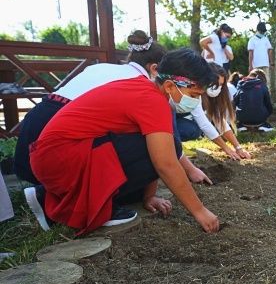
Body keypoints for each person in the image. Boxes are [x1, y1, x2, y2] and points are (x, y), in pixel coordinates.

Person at [26, 48, 221, 235]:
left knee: (167, 146)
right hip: (60, 158)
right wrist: (200, 211)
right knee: (169, 151)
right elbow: (165, 164)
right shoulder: (153, 101)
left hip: (55, 155)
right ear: (170, 86)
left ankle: (65, 196)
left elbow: (155, 148)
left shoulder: (146, 89)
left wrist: (148, 196)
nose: (196, 102)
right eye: (194, 95)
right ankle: (61, 201)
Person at [15, 30, 211, 190]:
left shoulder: (105, 69)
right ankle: (71, 196)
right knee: (148, 152)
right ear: (155, 69)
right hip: (60, 145)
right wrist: (188, 169)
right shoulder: (140, 87)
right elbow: (167, 143)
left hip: (34, 129)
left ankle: (50, 191)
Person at [202, 63, 251, 159]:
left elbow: (220, 122)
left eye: (220, 85)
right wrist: (226, 148)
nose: (217, 88)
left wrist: (238, 147)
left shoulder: (214, 98)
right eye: (214, 84)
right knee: (192, 129)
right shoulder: (197, 94)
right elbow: (204, 124)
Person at [247, 22, 274, 96]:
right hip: (255, 65)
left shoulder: (265, 39)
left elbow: (270, 50)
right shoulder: (252, 39)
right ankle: (256, 97)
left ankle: (267, 98)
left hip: (265, 64)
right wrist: (250, 65)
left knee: (266, 82)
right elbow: (250, 53)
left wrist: (271, 62)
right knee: (255, 82)